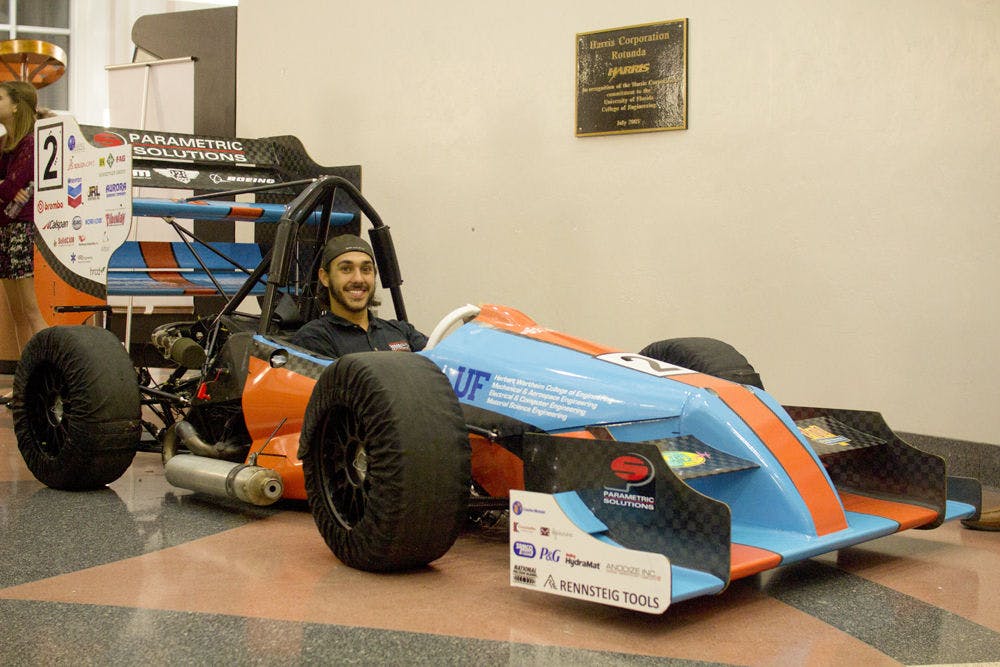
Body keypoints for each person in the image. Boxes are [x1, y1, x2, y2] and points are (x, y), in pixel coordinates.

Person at [291, 234, 427, 358]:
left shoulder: (403, 331)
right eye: (346, 269)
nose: (358, 279)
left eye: (366, 269)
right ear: (325, 277)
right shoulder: (314, 338)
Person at [0, 81, 48, 397]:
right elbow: (7, 190)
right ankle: (25, 383)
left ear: (16, 105)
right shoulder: (6, 143)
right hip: (5, 227)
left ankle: (51, 377)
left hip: (21, 230)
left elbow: (10, 188)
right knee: (16, 312)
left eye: (0, 97)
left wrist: (6, 187)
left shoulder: (32, 143)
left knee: (30, 311)